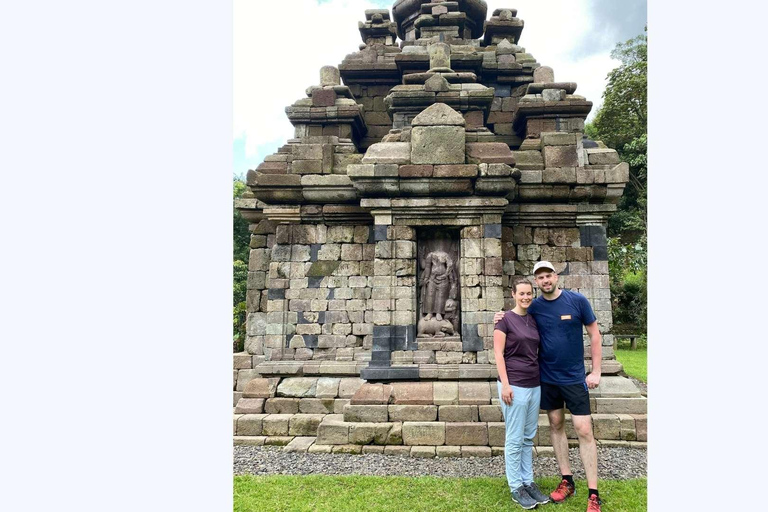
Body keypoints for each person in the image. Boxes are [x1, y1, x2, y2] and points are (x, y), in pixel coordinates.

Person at [494, 261, 604, 512]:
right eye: (540, 277)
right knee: (555, 425)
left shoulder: (577, 301)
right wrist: (499, 316)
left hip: (574, 378)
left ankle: (594, 493)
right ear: (536, 283)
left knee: (584, 429)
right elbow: (514, 318)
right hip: (547, 379)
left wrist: (596, 371)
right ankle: (567, 480)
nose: (545, 280)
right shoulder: (534, 307)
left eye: (548, 275)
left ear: (556, 276)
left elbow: (594, 335)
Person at [493, 277, 550, 509]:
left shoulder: (534, 320)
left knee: (528, 438)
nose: (526, 297)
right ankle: (516, 486)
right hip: (513, 385)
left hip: (534, 384)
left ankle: (528, 481)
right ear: (513, 294)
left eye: (529, 293)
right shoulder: (504, 320)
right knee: (515, 439)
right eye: (521, 293)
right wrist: (505, 385)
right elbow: (498, 354)